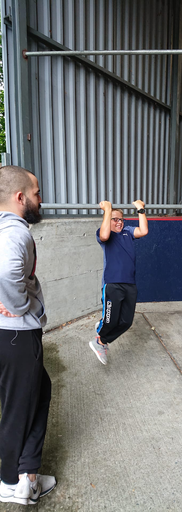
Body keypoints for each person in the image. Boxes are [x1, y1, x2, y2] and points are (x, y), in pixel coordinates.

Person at [0, 166, 56, 505]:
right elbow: (7, 270)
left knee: (39, 391)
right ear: (20, 198)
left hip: (9, 337)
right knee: (18, 407)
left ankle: (28, 471)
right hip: (17, 336)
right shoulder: (16, 232)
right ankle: (10, 481)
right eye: (36, 193)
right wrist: (17, 303)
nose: (40, 199)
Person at [89, 200, 148, 365]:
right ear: (108, 220)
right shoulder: (103, 233)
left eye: (121, 219)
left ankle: (101, 332)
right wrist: (108, 209)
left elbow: (143, 230)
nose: (119, 222)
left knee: (126, 322)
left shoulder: (128, 232)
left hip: (130, 284)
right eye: (115, 219)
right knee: (111, 321)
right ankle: (100, 340)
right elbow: (105, 234)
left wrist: (141, 210)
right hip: (113, 284)